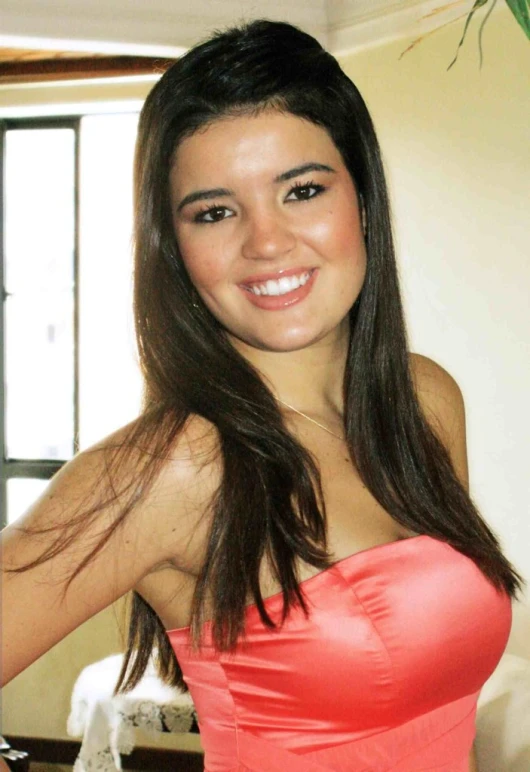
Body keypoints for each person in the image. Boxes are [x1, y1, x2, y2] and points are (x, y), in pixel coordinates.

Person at [1, 19, 522, 772]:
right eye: (214, 212)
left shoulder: (424, 399)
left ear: (364, 202)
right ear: (171, 250)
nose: (266, 242)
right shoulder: (169, 471)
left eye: (302, 190)